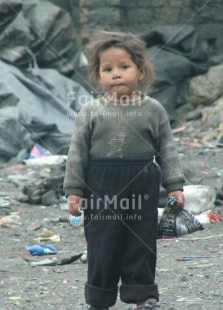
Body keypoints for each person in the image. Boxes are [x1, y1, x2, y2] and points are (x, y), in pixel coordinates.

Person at [63, 31, 186, 310]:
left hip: (142, 182)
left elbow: (167, 149)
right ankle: (99, 298)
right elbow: (77, 152)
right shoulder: (91, 111)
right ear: (98, 76)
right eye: (108, 69)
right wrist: (74, 192)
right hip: (100, 185)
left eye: (124, 67)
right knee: (102, 242)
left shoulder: (153, 110)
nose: (116, 74)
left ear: (141, 71)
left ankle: (143, 295)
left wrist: (175, 186)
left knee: (140, 241)